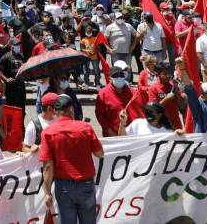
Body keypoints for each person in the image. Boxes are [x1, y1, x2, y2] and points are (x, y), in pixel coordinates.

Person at [40, 93, 104, 224]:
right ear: (71, 110)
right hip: (85, 184)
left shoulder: (48, 132)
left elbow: (47, 166)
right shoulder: (85, 127)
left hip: (63, 186)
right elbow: (99, 153)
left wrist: (47, 192)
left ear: (55, 111)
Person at [95, 63, 144, 137]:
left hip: (132, 135)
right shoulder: (103, 94)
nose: (119, 78)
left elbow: (140, 112)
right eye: (116, 76)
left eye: (121, 75)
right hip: (112, 135)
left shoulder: (133, 93)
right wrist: (110, 132)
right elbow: (100, 116)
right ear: (110, 78)